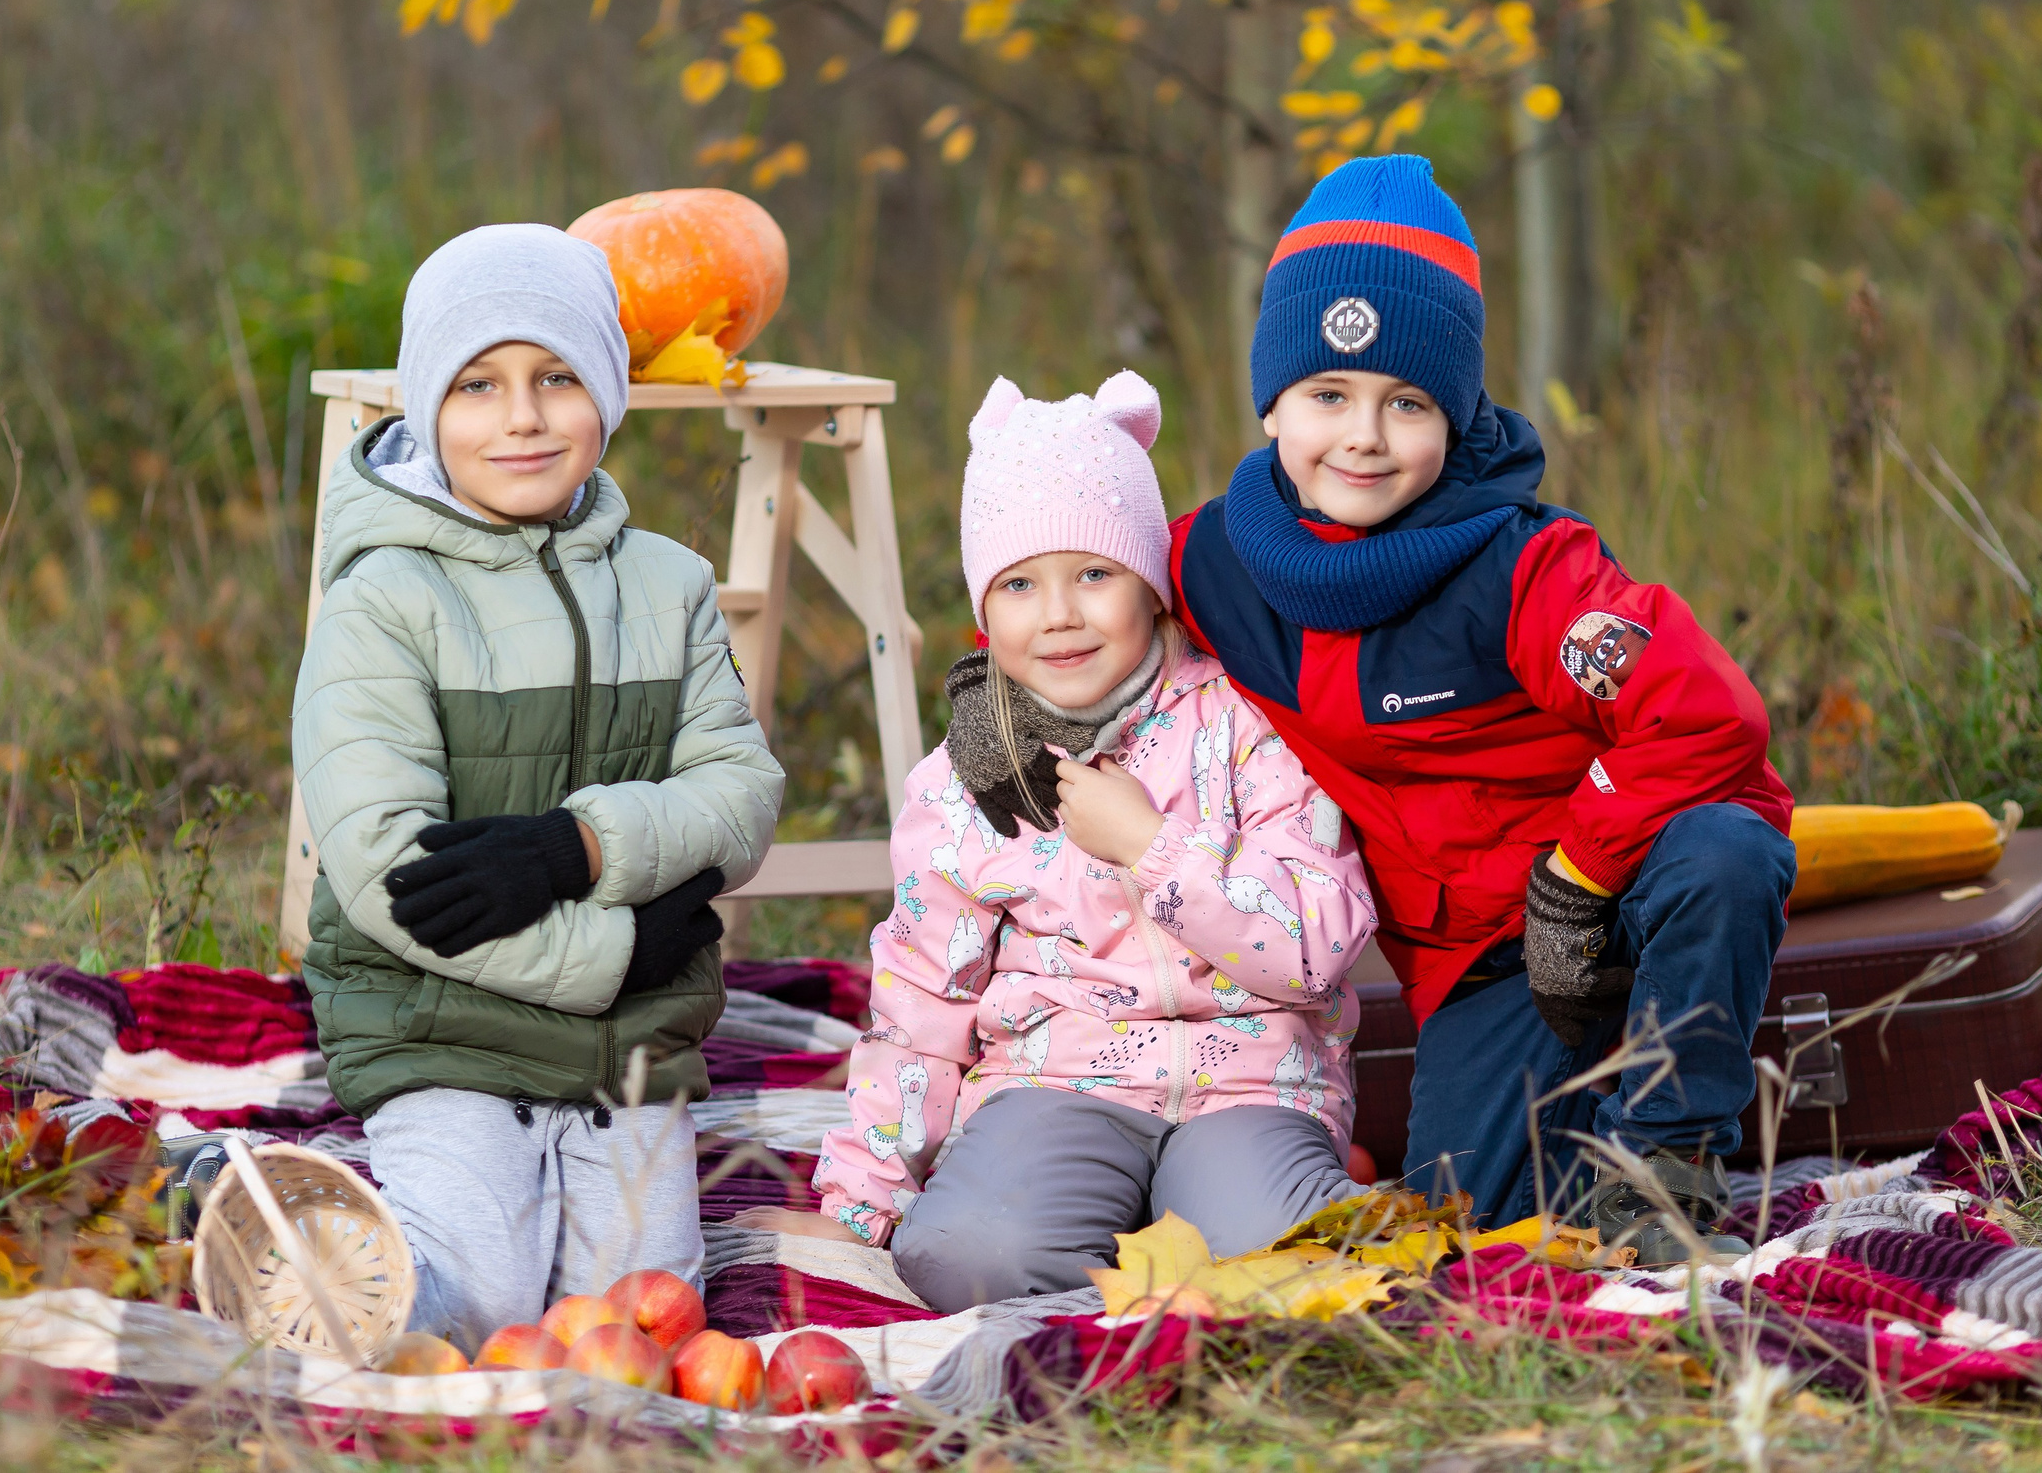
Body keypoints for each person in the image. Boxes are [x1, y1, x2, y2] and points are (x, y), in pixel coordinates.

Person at [1168, 155, 1796, 1262]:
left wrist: (1581, 873)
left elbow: (1710, 716)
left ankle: (1664, 1165)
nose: (1361, 436)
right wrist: (995, 668)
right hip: (1480, 952)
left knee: (1725, 852)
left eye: (1405, 403)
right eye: (1326, 396)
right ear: (1269, 402)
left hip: (1619, 873)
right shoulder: (1217, 560)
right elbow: (1073, 589)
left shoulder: (1526, 569)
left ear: (1455, 418)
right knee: (1473, 1219)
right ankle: (1570, 1104)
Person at [738, 373, 1379, 1311]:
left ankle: (1199, 1225)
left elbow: (1318, 944)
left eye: (1095, 573)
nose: (1060, 614)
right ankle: (1091, 1244)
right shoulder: (965, 785)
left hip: (1253, 1082)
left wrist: (1154, 849)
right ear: (983, 614)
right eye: (1020, 584)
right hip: (1054, 1082)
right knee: (969, 1257)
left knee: (1274, 1266)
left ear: (1153, 589)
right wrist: (864, 1200)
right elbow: (921, 997)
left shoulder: (1246, 726)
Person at [292, 223, 782, 1350]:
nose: (521, 416)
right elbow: (387, 873)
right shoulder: (384, 601)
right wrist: (612, 953)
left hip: (631, 1045)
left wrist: (583, 847)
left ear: (607, 391)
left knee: (641, 1315)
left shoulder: (669, 584)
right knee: (486, 1295)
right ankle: (299, 1249)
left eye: (556, 376)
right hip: (441, 1019)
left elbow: (739, 789)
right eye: (478, 385)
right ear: (426, 407)